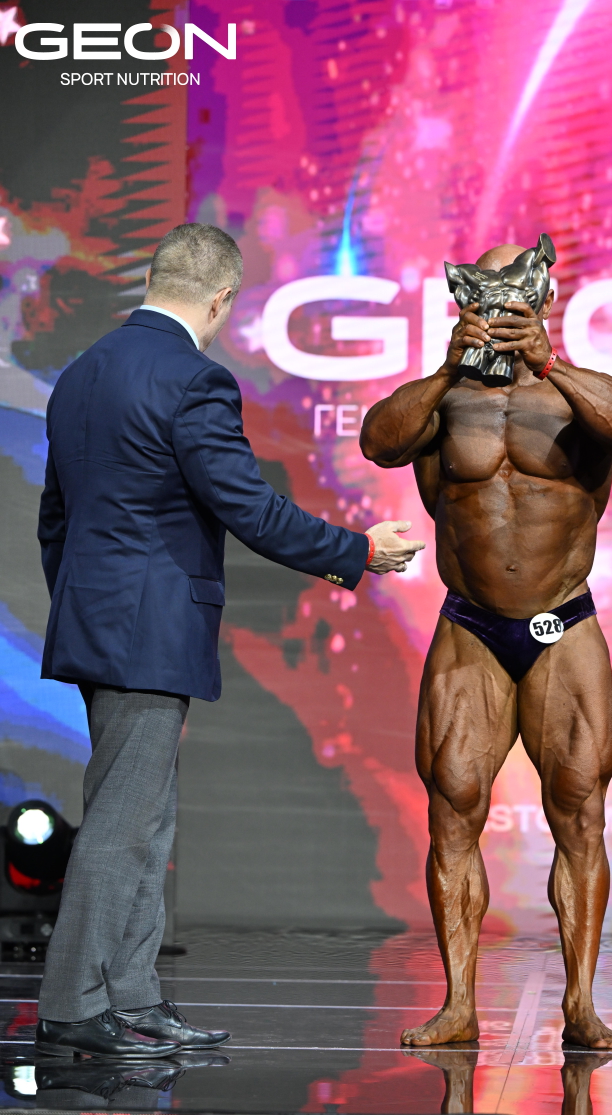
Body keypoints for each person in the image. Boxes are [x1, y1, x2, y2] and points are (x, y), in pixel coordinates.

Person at [35, 223, 424, 1060]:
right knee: (122, 822)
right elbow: (248, 507)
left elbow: (55, 520)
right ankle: (71, 1007)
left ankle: (132, 998)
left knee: (146, 819)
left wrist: (89, 604)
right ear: (220, 300)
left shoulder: (80, 373)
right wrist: (358, 550)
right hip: (148, 628)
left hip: (96, 620)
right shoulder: (195, 380)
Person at [361, 241, 612, 1050]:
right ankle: (458, 1006)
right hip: (472, 630)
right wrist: (448, 368)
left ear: (544, 300)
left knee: (579, 814)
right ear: (464, 305)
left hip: (563, 627)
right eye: (483, 299)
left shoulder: (576, 394)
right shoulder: (444, 401)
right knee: (452, 809)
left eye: (515, 300)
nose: (500, 314)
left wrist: (548, 361)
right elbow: (378, 442)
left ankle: (582, 1006)